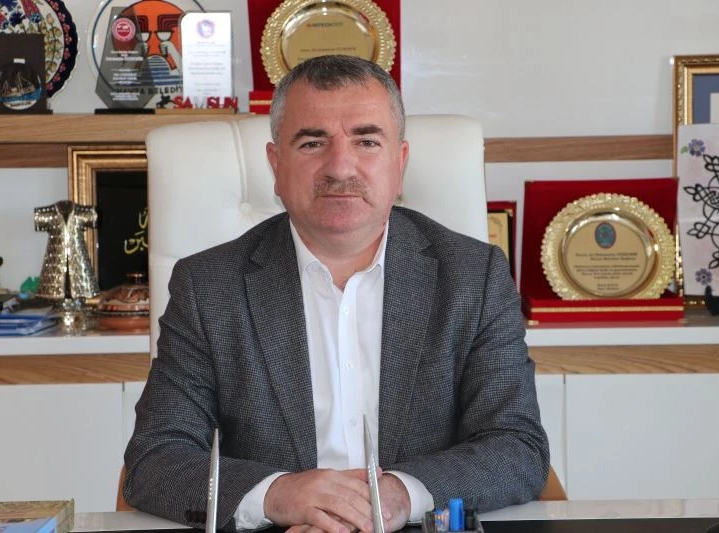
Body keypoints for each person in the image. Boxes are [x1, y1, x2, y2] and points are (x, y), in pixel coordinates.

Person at [123, 54, 549, 533]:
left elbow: (516, 445)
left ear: (400, 162)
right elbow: (157, 458)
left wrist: (399, 495)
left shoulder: (474, 276)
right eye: (312, 142)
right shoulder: (208, 286)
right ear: (276, 164)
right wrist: (278, 494)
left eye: (366, 141)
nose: (341, 166)